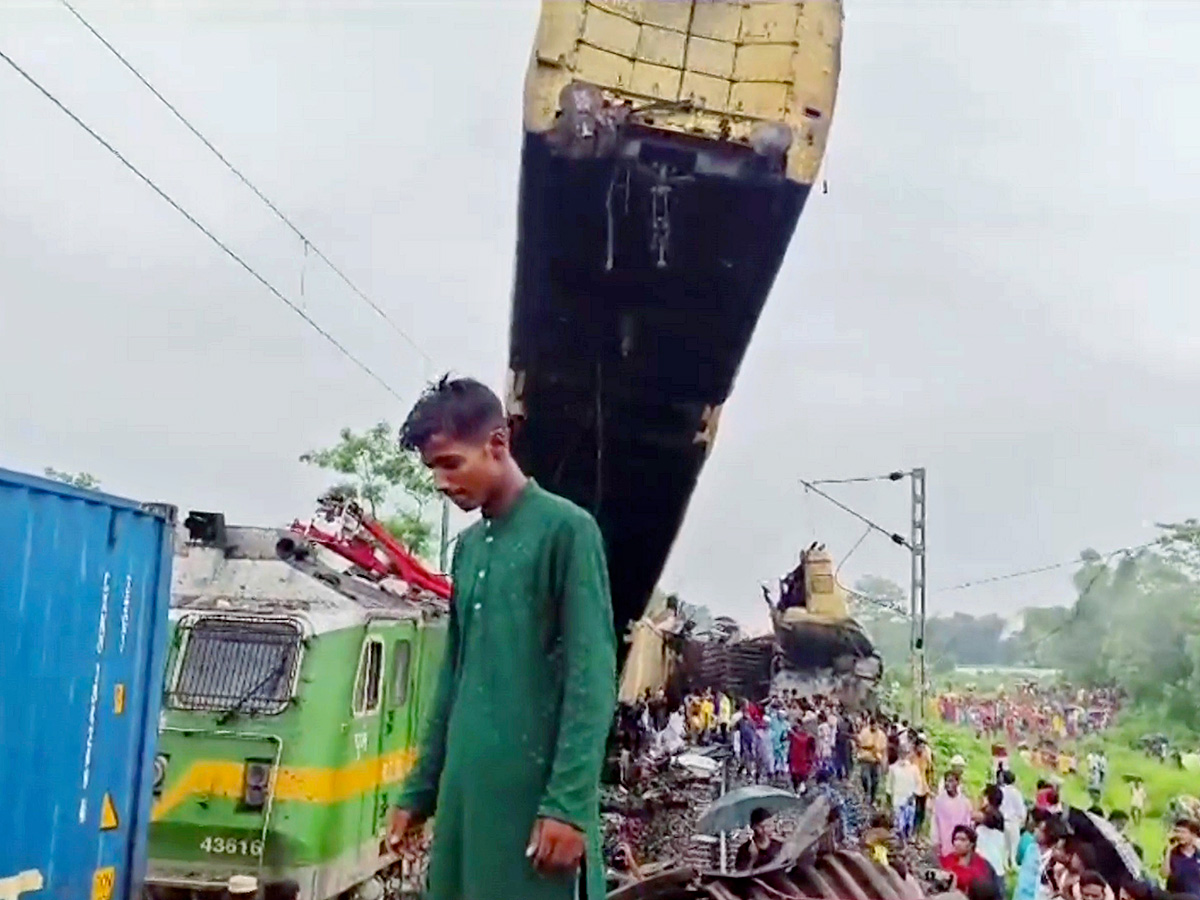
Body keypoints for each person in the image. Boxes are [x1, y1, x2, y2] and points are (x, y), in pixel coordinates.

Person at [386, 377, 617, 900]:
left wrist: (568, 804)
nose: (442, 483)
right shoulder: (467, 551)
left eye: (451, 464)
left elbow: (593, 677)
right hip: (466, 808)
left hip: (533, 812)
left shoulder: (567, 531)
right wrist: (419, 792)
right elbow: (454, 679)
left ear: (498, 444)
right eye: (432, 471)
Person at [1014, 809, 1069, 900]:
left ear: (1048, 835)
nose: (1036, 831)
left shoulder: (1052, 859)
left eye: (1040, 830)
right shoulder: (1031, 848)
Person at [939, 825, 997, 894]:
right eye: (955, 839)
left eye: (962, 840)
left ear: (971, 844)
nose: (958, 843)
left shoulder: (982, 864)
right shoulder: (947, 860)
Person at [932, 771, 975, 857]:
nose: (948, 784)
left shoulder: (965, 802)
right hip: (945, 844)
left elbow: (969, 823)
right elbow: (935, 822)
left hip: (961, 845)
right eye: (946, 781)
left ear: (957, 783)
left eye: (951, 781)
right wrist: (935, 841)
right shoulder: (939, 801)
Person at [888, 747, 922, 842]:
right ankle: (900, 842)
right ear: (899, 753)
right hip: (897, 798)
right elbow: (889, 786)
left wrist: (914, 794)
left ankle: (907, 839)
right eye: (902, 752)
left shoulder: (914, 769)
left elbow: (918, 783)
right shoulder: (893, 768)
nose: (904, 755)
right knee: (899, 822)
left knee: (908, 821)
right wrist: (889, 801)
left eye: (906, 753)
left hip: (909, 798)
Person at [1163, 818, 1200, 896]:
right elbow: (1164, 874)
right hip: (1176, 896)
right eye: (1177, 831)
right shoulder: (1173, 853)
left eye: (1183, 832)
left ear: (1192, 835)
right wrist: (1168, 850)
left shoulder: (1198, 854)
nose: (1179, 835)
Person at [857, 717, 887, 803]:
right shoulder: (864, 732)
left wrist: (883, 762)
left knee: (875, 780)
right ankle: (866, 792)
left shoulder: (881, 735)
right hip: (865, 758)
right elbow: (859, 743)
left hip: (876, 760)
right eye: (872, 725)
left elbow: (883, 749)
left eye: (875, 725)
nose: (873, 727)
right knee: (864, 777)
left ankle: (872, 797)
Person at [1001, 770, 1027, 868]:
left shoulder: (1001, 791)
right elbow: (1021, 808)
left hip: (1003, 820)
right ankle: (1013, 863)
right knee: (1014, 845)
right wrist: (1022, 820)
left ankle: (1005, 864)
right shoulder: (1016, 793)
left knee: (1005, 845)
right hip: (1013, 821)